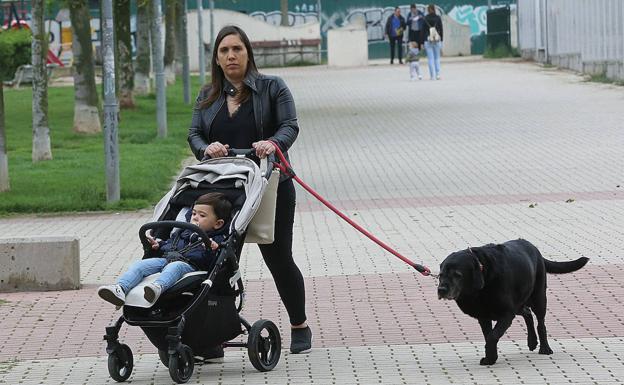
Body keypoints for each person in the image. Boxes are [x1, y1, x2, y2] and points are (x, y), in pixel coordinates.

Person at [187, 25, 312, 355]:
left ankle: (299, 324)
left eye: (237, 49)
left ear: (248, 53)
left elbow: (290, 125)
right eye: (224, 50)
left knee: (279, 258)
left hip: (271, 186)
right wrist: (205, 149)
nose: (231, 56)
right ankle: (213, 335)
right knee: (220, 261)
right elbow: (195, 134)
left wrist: (273, 143)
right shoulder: (207, 95)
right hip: (224, 191)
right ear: (216, 58)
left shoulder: (273, 88)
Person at [97, 192, 232, 306]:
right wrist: (158, 245)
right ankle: (120, 288)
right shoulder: (183, 231)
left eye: (202, 216)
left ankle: (157, 288)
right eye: (194, 213)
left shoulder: (216, 240)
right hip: (167, 259)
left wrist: (212, 248)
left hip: (190, 266)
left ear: (218, 223)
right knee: (140, 265)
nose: (195, 217)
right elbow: (171, 243)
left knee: (175, 267)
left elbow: (211, 261)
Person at [421, 4, 444, 80]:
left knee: (430, 59)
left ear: (428, 10)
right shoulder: (438, 18)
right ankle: (438, 74)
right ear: (434, 9)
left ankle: (432, 76)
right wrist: (442, 39)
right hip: (437, 39)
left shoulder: (425, 18)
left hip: (428, 39)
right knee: (437, 58)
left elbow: (423, 31)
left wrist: (422, 41)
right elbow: (441, 29)